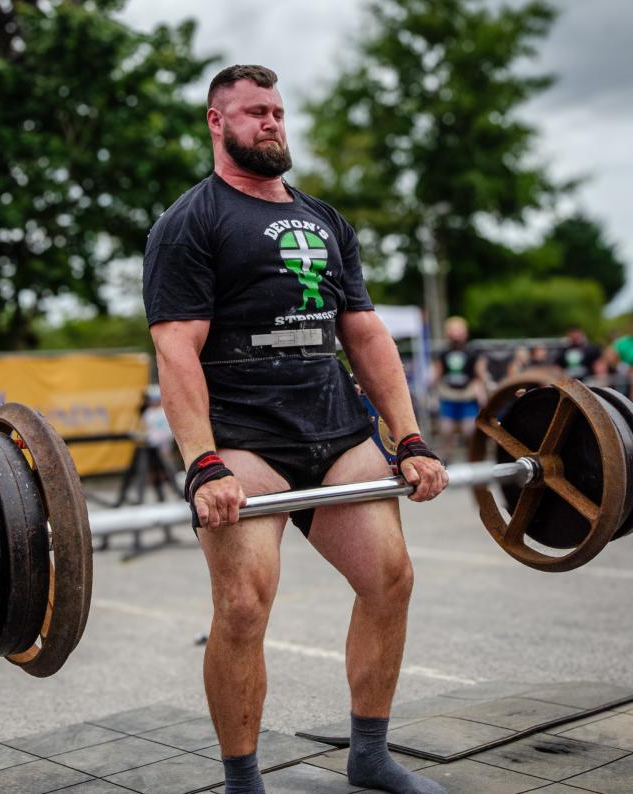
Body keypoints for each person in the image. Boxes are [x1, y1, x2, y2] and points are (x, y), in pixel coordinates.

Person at [143, 65, 448, 794]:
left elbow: (366, 335)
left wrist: (409, 438)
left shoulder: (324, 218)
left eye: (278, 110)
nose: (272, 122)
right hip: (245, 437)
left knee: (390, 579)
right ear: (217, 123)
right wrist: (203, 464)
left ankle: (369, 754)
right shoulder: (190, 222)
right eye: (254, 112)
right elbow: (176, 348)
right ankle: (244, 781)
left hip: (335, 428)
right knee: (243, 605)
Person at [431, 316, 487, 463]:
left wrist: (483, 391)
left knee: (469, 430)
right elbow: (436, 373)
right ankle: (447, 459)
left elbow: (479, 374)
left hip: (467, 396)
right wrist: (431, 392)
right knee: (446, 430)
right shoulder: (442, 353)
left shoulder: (473, 352)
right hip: (448, 395)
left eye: (458, 330)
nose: (455, 334)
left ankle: (472, 456)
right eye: (452, 330)